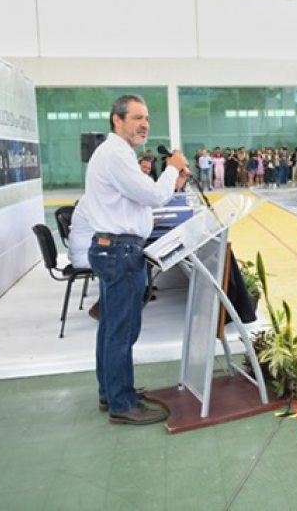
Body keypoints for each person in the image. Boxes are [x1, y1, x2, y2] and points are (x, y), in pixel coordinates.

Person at [78, 94, 189, 425]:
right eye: (137, 118)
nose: (145, 125)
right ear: (117, 120)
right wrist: (170, 169)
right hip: (119, 252)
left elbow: (143, 198)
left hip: (115, 248)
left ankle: (111, 391)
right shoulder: (115, 154)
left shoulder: (118, 154)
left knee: (113, 327)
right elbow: (154, 194)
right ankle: (122, 403)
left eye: (147, 119)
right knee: (121, 330)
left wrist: (174, 180)